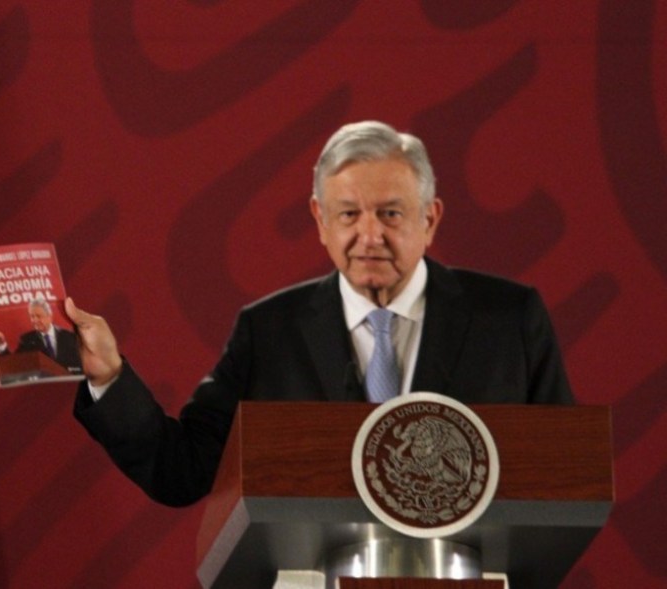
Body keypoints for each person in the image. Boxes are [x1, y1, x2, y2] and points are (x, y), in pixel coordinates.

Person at [65, 120, 574, 507]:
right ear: (320, 220)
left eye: (390, 213)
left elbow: (568, 477)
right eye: (349, 214)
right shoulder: (269, 332)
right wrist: (109, 377)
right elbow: (183, 471)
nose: (370, 236)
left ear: (430, 218)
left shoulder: (509, 319)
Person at [0, 298, 82, 373]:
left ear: (50, 316)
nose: (34, 320)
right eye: (32, 316)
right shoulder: (27, 340)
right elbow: (13, 365)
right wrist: (2, 345)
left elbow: (80, 366)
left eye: (38, 316)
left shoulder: (69, 337)